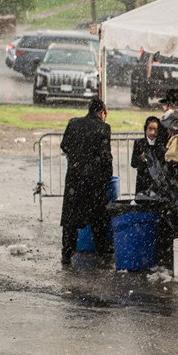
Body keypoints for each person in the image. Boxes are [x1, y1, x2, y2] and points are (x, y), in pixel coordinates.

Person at [59, 97, 113, 266]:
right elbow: (105, 156)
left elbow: (64, 145)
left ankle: (67, 253)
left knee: (71, 219)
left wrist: (77, 157)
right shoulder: (104, 128)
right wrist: (107, 175)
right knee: (98, 219)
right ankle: (102, 254)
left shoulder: (73, 123)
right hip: (94, 181)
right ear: (102, 112)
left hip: (75, 179)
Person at [130, 116, 166, 196]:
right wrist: (141, 159)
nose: (152, 132)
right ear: (146, 129)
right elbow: (133, 163)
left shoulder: (161, 144)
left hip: (157, 182)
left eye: (155, 130)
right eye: (150, 129)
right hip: (143, 181)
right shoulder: (139, 143)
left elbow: (163, 163)